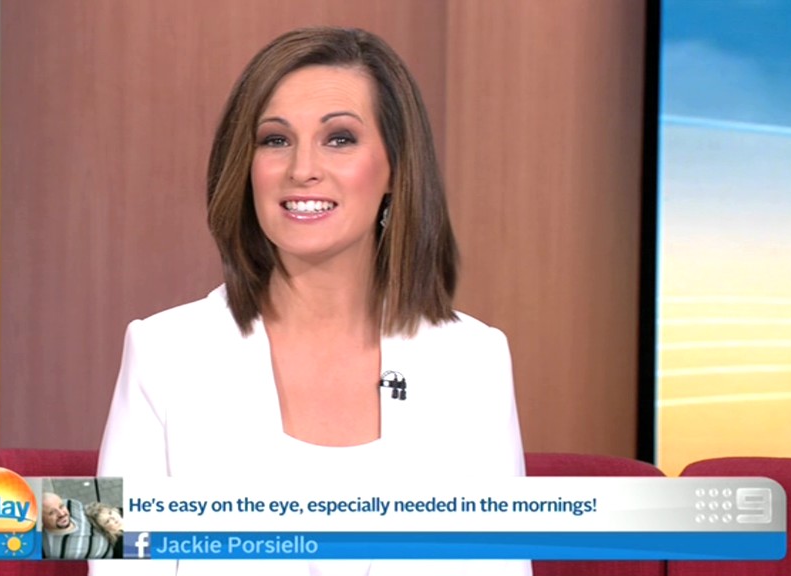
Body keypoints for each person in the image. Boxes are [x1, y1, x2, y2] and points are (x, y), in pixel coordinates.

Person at [95, 26, 530, 575]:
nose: (302, 169)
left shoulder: (472, 361)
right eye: (275, 140)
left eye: (339, 138)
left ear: (395, 168)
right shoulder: (164, 353)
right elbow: (122, 564)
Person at [42, 492, 113, 559]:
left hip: (112, 533)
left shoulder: (71, 504)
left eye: (61, 506)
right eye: (52, 513)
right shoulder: (57, 554)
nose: (62, 514)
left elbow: (92, 511)